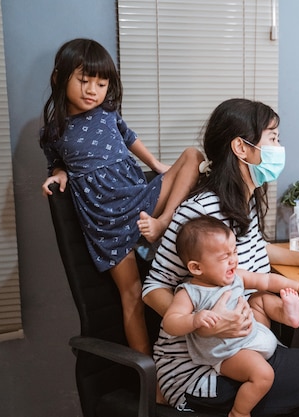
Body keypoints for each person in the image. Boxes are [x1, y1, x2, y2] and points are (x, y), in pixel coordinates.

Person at [144, 98, 299, 416]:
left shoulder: (242, 199)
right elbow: (153, 287)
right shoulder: (202, 213)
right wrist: (205, 324)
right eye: (272, 138)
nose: (279, 147)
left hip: (242, 346)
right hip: (202, 370)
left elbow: (258, 247)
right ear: (242, 148)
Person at [39, 38, 203, 361]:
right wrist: (59, 173)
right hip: (106, 221)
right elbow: (56, 161)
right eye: (84, 81)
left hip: (137, 199)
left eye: (101, 83)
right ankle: (150, 379)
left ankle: (163, 222)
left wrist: (155, 165)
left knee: (193, 156)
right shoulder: (54, 130)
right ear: (60, 79)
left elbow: (129, 137)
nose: (92, 90)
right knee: (132, 295)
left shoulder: (107, 113)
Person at [162, 215, 299, 417]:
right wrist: (194, 320)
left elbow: (265, 280)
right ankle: (240, 412)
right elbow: (171, 322)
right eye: (224, 257)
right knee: (263, 375)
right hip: (229, 353)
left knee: (262, 296)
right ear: (196, 267)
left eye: (234, 252)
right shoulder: (189, 292)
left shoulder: (235, 277)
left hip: (251, 337)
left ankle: (288, 314)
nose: (233, 259)